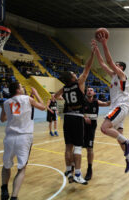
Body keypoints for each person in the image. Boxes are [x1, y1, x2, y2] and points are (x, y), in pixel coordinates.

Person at [92, 35, 129, 173]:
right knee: (118, 137)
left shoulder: (122, 75)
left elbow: (109, 61)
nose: (114, 65)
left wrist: (104, 43)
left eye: (117, 64)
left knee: (104, 128)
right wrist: (96, 50)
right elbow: (103, 64)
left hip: (120, 107)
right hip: (117, 107)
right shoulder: (113, 77)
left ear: (121, 67)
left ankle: (128, 142)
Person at [54, 45, 95, 185]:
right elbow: (87, 68)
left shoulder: (64, 88)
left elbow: (55, 96)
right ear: (72, 77)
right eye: (73, 74)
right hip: (77, 118)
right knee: (78, 147)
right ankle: (77, 174)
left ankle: (67, 170)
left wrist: (62, 96)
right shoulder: (79, 84)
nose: (75, 74)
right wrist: (93, 53)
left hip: (67, 117)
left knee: (68, 147)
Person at [0, 82, 45, 200]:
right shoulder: (28, 99)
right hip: (24, 137)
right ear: (18, 90)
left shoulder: (6, 102)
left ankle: (4, 188)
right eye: (21, 87)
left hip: (9, 137)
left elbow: (2, 119)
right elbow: (43, 106)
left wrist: (13, 115)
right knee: (22, 168)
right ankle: (14, 196)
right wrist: (36, 94)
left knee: (6, 165)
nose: (23, 88)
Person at [83, 87, 110, 181]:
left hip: (91, 129)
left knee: (90, 149)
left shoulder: (96, 102)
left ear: (94, 93)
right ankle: (74, 167)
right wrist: (84, 117)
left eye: (91, 90)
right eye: (88, 90)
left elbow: (107, 103)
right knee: (77, 147)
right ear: (86, 92)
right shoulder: (82, 101)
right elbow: (77, 111)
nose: (89, 91)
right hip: (81, 127)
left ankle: (89, 169)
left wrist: (116, 98)